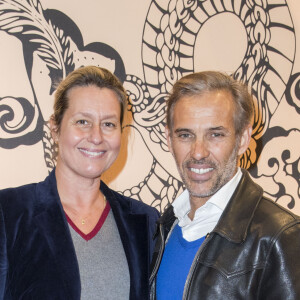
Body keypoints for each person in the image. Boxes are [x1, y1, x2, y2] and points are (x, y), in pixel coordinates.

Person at [0, 66, 159, 300]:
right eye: (83, 121)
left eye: (109, 124)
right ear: (55, 128)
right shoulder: (8, 212)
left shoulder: (145, 221)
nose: (96, 137)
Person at [149, 71, 300, 299]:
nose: (198, 152)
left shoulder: (279, 237)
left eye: (215, 135)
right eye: (186, 135)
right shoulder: (164, 228)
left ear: (242, 139)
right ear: (169, 140)